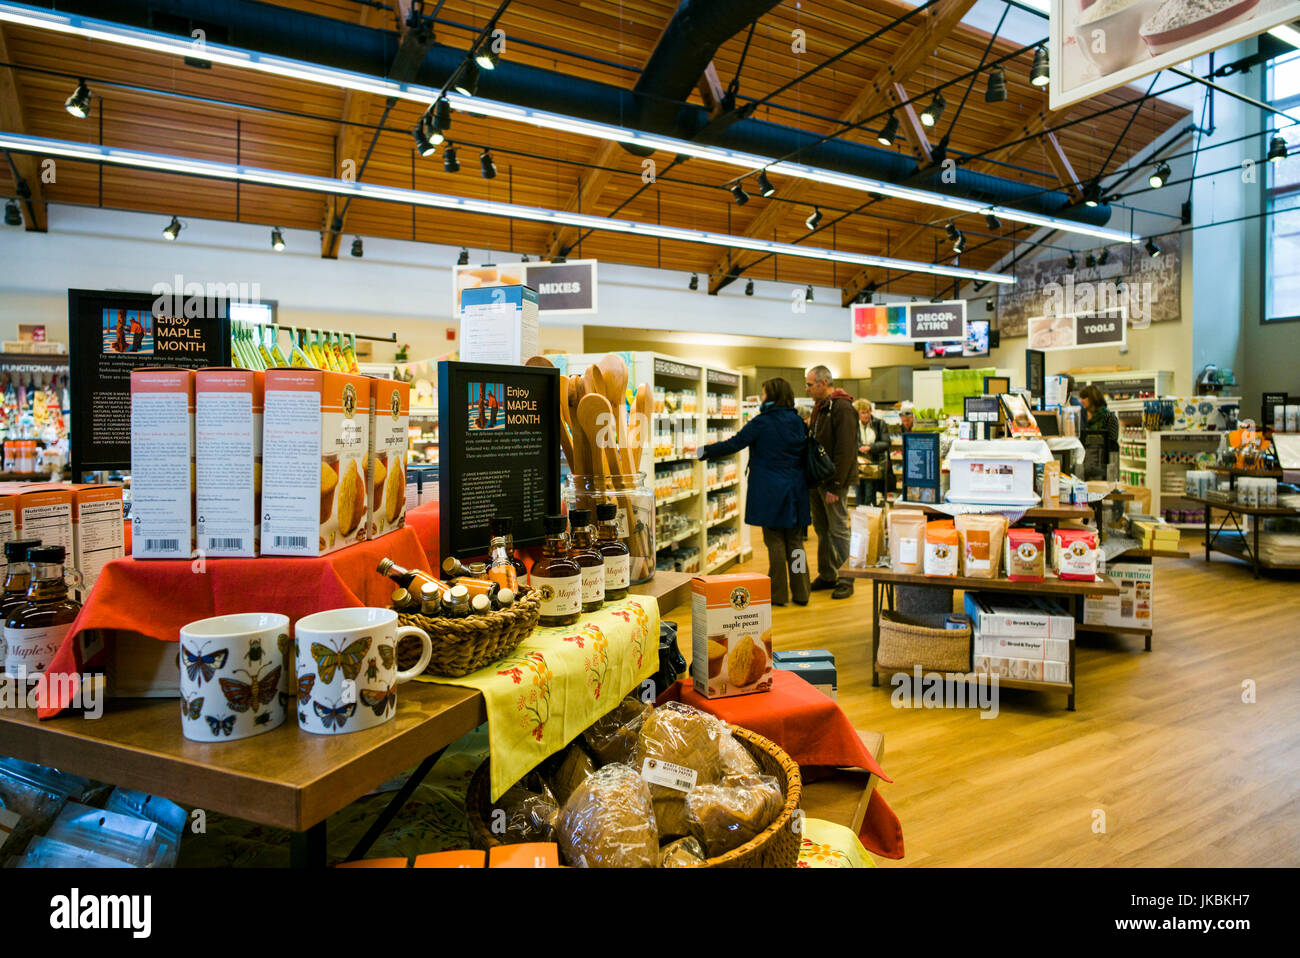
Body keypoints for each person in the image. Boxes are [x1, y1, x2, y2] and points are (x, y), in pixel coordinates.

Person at [699, 378, 811, 606]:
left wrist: (702, 450)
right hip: (796, 491)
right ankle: (802, 591)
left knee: (775, 542)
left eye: (763, 393)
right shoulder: (798, 421)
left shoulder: (762, 422)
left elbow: (734, 444)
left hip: (770, 491)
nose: (761, 397)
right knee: (796, 543)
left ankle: (779, 593)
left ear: (771, 396)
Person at [805, 365, 858, 599]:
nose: (806, 389)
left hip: (833, 482)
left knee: (838, 530)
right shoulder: (820, 407)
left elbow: (846, 451)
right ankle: (827, 574)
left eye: (809, 384)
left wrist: (836, 485)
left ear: (823, 383)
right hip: (817, 480)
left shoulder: (843, 407)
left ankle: (847, 578)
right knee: (822, 529)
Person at [853, 399, 891, 507]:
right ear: (858, 414)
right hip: (858, 464)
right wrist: (859, 447)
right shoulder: (853, 425)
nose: (866, 415)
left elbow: (886, 442)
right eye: (863, 412)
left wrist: (870, 447)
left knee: (870, 492)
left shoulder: (879, 424)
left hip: (874, 465)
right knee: (859, 493)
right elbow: (849, 441)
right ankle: (860, 517)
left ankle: (869, 516)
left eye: (868, 411)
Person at [1079, 384, 1120, 480]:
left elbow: (1112, 442)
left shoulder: (1108, 417)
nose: (1081, 401)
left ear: (1092, 398)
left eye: (1084, 397)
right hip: (1086, 464)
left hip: (1104, 466)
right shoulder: (1082, 417)